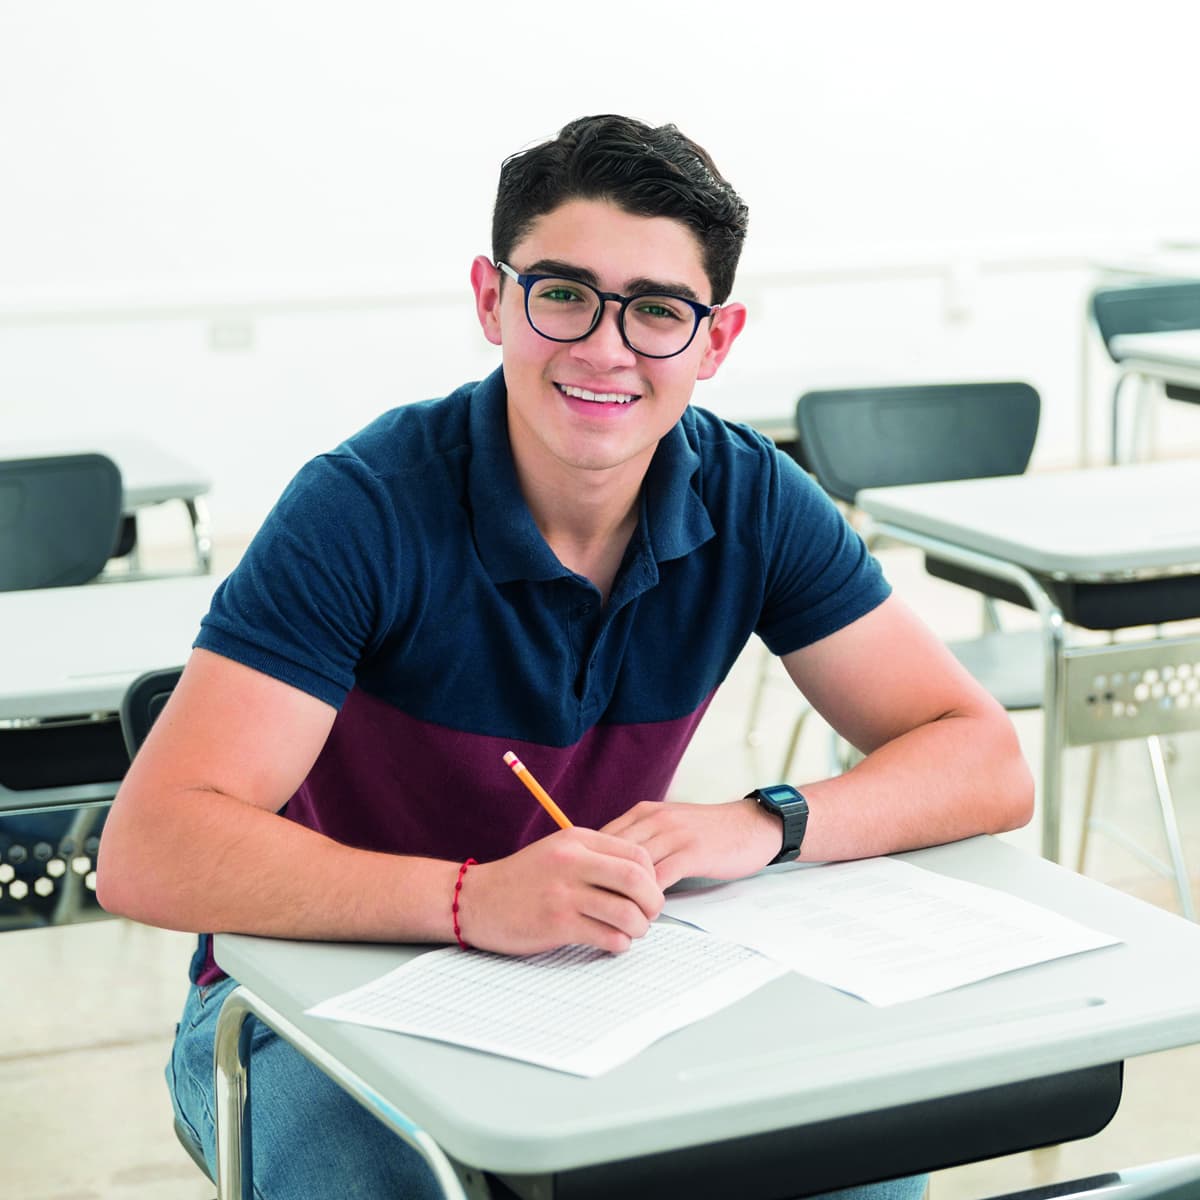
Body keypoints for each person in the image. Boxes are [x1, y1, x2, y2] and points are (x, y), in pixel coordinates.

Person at [97, 114, 1033, 1199]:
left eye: (658, 311)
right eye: (564, 294)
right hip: (303, 1005)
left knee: (858, 1160)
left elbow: (981, 759)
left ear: (715, 341)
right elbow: (151, 849)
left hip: (590, 989)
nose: (604, 347)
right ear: (494, 301)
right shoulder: (361, 508)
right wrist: (469, 902)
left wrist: (756, 824)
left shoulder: (751, 498)